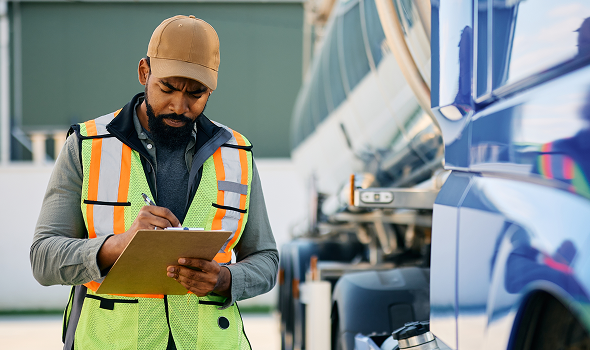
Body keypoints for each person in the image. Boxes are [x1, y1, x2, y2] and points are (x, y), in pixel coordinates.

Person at [30, 15, 278, 350]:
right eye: (168, 88)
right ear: (145, 72)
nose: (180, 105)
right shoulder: (86, 146)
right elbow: (44, 259)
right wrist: (119, 244)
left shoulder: (236, 153)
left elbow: (265, 259)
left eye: (196, 93)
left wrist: (226, 279)